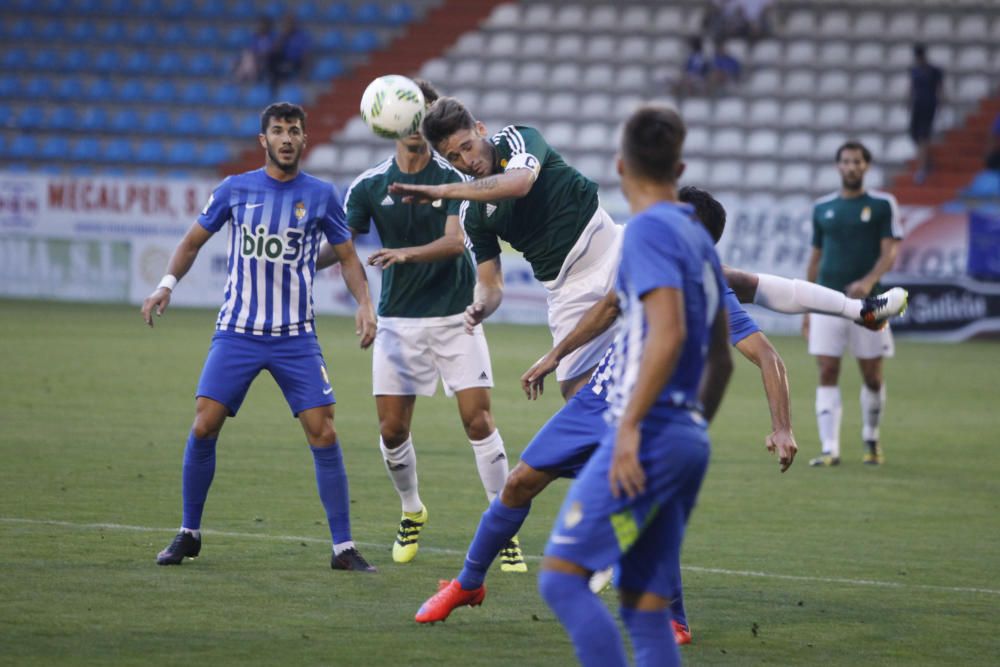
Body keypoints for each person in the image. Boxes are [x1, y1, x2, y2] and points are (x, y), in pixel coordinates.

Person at [142, 102, 378, 572]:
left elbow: (349, 257)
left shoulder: (323, 195)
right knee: (204, 424)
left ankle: (343, 548)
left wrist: (365, 304)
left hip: (295, 337)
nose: (287, 138)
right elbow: (192, 241)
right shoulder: (235, 189)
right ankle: (189, 533)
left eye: (294, 130)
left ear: (305, 140)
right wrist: (166, 285)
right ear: (263, 140)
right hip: (238, 333)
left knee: (324, 431)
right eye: (278, 130)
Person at [537, 103, 733, 667]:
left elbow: (667, 334)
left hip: (647, 434)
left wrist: (629, 432)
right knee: (645, 606)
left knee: (562, 580)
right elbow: (720, 358)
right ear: (680, 164)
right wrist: (692, 425)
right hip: (687, 438)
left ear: (621, 168)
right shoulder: (699, 239)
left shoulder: (647, 230)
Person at [315, 80, 523, 570]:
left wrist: (404, 253)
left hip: (456, 318)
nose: (418, 128)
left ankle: (502, 526)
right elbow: (344, 244)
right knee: (391, 431)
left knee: (479, 421)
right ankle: (412, 511)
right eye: (411, 118)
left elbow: (455, 242)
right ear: (392, 123)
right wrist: (302, 257)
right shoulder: (369, 186)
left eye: (425, 118)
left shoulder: (454, 177)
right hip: (399, 324)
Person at [388, 97, 622, 402]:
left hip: (615, 251)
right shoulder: (470, 213)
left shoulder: (518, 139)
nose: (466, 160)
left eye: (468, 146)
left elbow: (518, 183)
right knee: (579, 397)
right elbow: (491, 282)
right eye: (454, 157)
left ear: (481, 129)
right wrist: (480, 306)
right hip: (568, 292)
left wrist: (442, 190)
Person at [804, 141, 903, 467]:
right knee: (827, 369)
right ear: (838, 166)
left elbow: (889, 250)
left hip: (870, 305)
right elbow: (816, 258)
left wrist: (868, 281)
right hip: (825, 300)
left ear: (866, 166)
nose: (851, 167)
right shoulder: (822, 208)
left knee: (872, 374)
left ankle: (871, 438)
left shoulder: (882, 204)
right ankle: (829, 447)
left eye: (856, 162)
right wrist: (806, 307)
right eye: (845, 162)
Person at [908, 44, 944, 184]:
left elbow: (940, 88)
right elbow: (912, 87)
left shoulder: (934, 71)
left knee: (923, 135)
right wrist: (908, 102)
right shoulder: (914, 70)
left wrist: (940, 104)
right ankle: (926, 160)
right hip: (918, 105)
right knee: (913, 134)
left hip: (929, 105)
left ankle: (922, 168)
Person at [267, 15, 311, 93]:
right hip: (283, 60)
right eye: (286, 24)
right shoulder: (282, 36)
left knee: (286, 68)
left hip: (295, 62)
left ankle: (282, 82)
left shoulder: (301, 37)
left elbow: (306, 54)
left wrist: (304, 72)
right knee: (272, 59)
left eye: (289, 23)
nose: (287, 26)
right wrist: (283, 37)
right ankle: (273, 83)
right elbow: (275, 50)